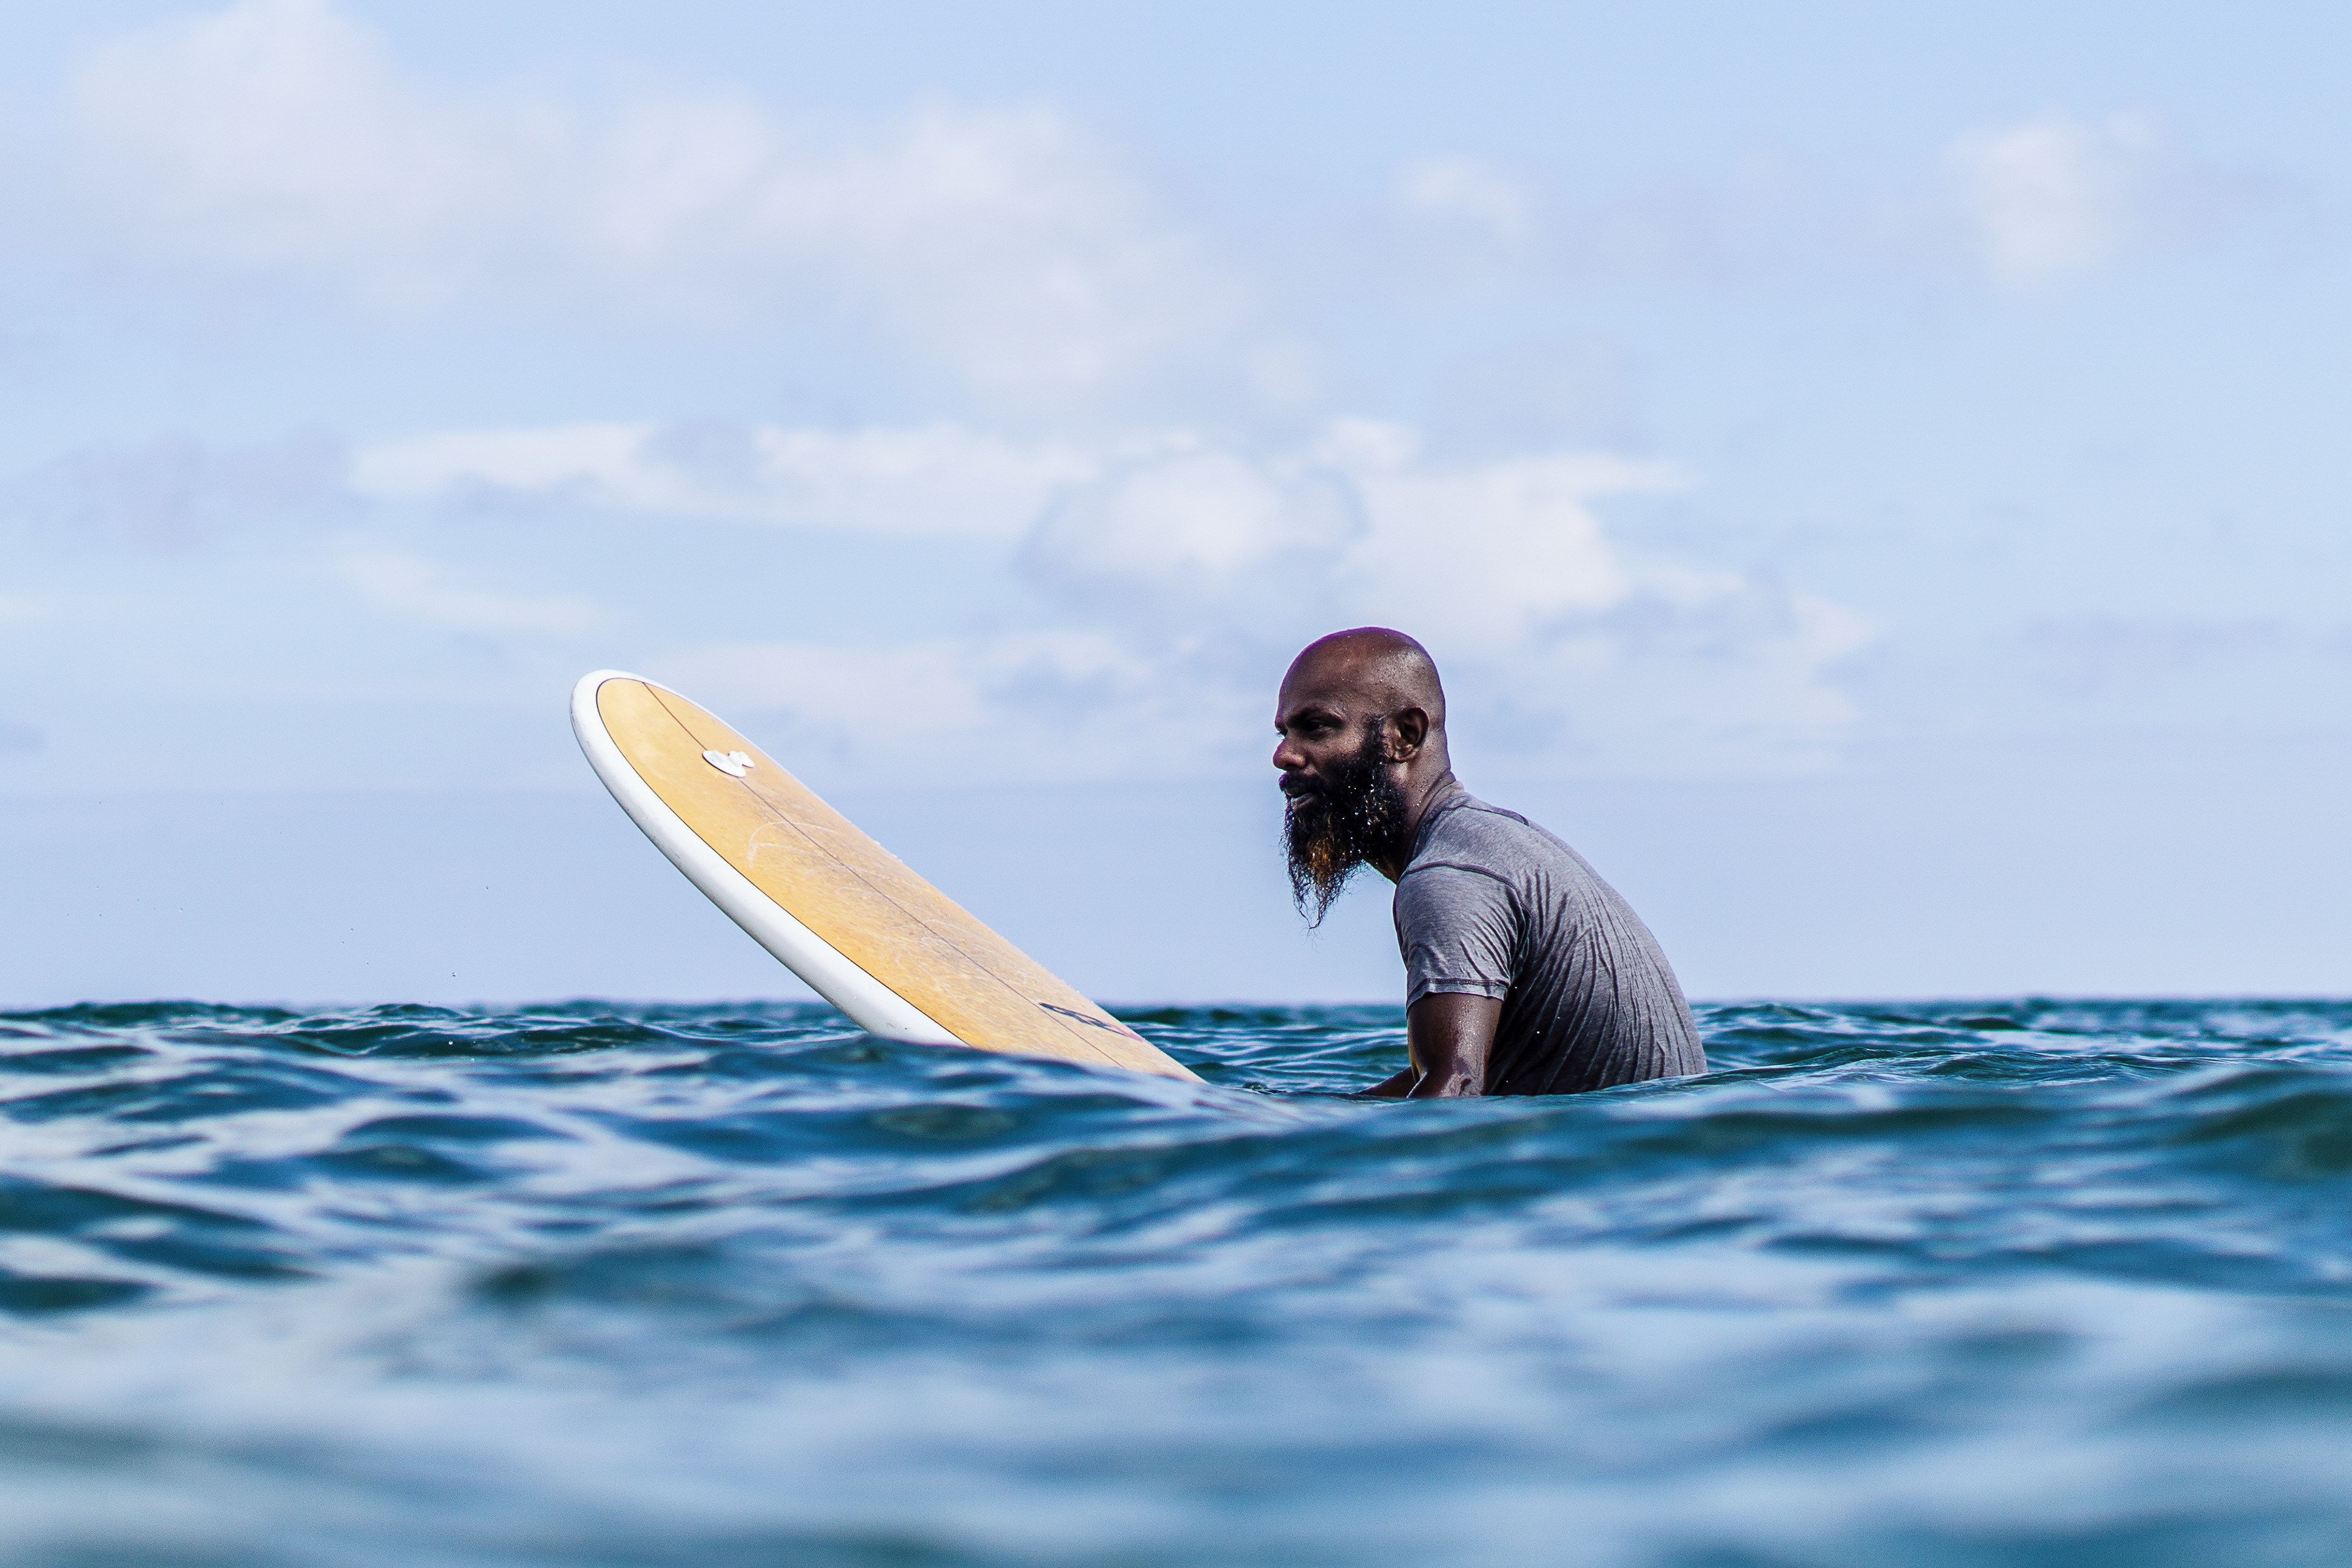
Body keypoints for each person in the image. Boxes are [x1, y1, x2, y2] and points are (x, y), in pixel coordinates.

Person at [1273, 627, 1706, 1098]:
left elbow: (1455, 1089)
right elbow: (1451, 1079)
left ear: (1404, 735)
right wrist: (1299, 1117)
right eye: (1284, 733)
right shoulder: (1487, 845)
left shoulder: (1449, 877)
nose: (1284, 755)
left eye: (1316, 727)